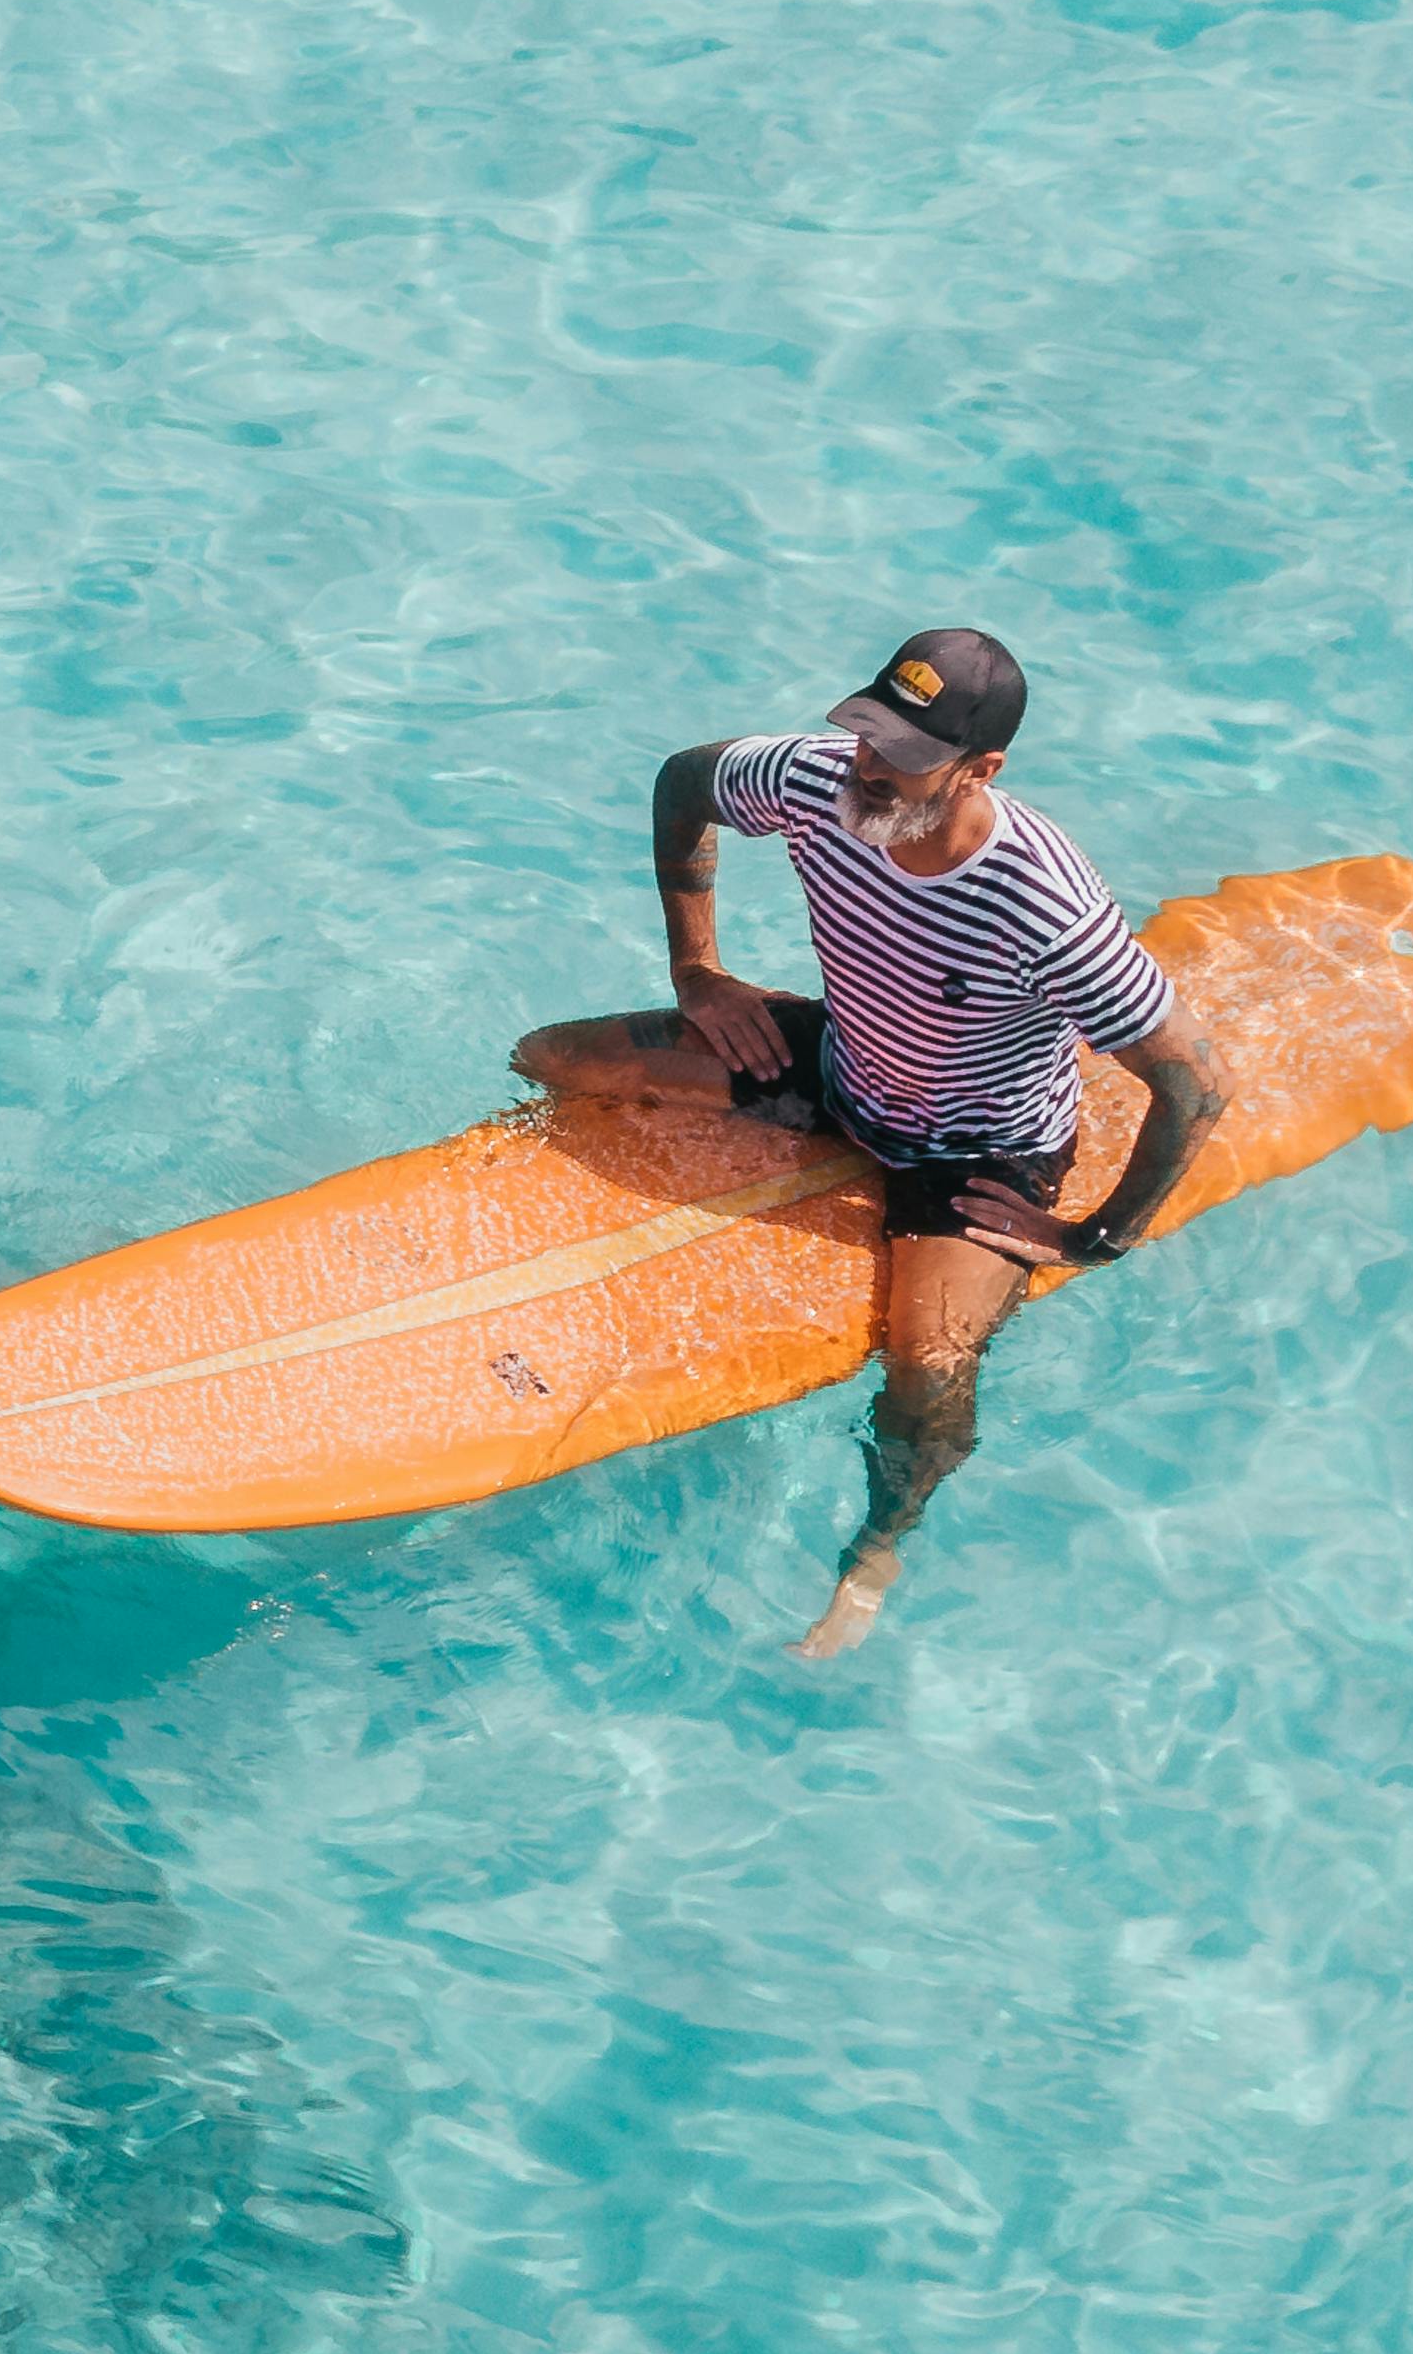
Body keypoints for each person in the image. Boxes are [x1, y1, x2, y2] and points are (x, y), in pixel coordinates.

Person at [512, 627, 1227, 1661]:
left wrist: (1098, 1235)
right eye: (867, 734)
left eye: (904, 754)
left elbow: (1195, 1085)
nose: (868, 767)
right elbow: (684, 782)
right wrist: (699, 973)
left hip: (977, 1159)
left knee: (928, 1371)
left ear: (982, 771)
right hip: (843, 1070)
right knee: (553, 1056)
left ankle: (875, 1556)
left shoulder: (1045, 907)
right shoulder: (816, 780)